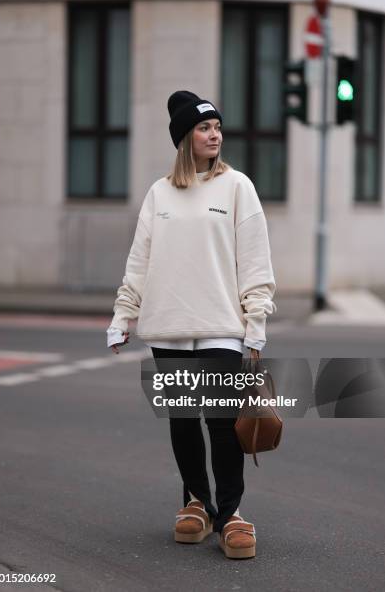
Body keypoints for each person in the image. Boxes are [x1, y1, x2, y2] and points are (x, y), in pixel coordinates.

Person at [106, 90, 276, 559]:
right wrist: (123, 315)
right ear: (185, 137)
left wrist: (255, 323)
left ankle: (231, 513)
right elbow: (139, 261)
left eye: (217, 127)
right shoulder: (160, 193)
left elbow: (256, 262)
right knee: (183, 421)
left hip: (223, 325)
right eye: (204, 128)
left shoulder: (238, 186)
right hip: (168, 326)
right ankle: (196, 503)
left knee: (222, 422)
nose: (214, 134)